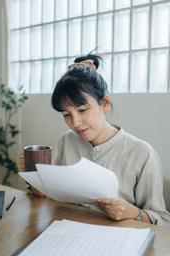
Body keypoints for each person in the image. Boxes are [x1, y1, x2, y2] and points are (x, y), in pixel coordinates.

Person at [18, 53, 170, 226]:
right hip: (68, 232)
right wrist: (32, 176)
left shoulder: (142, 154)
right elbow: (46, 194)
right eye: (66, 114)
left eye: (82, 110)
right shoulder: (66, 141)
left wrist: (133, 213)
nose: (75, 122)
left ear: (104, 103)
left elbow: (162, 219)